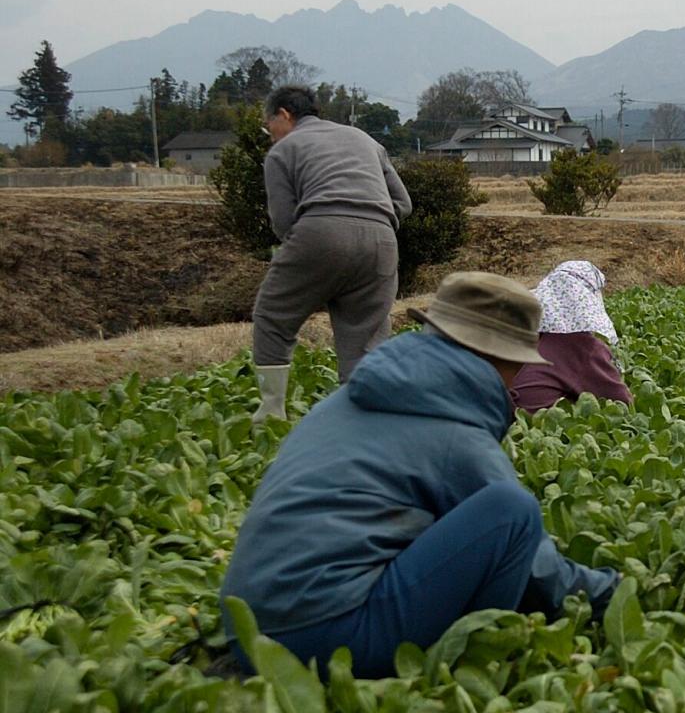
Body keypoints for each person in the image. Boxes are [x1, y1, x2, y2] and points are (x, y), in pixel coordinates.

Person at [221, 272, 619, 678]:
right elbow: (539, 568)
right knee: (511, 511)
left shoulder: (345, 400)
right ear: (499, 358)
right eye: (517, 364)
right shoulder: (456, 436)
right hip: (325, 639)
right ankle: (473, 664)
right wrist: (612, 593)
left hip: (246, 629)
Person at [251, 85, 414, 422]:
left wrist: (320, 236)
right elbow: (403, 204)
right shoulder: (364, 140)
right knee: (366, 334)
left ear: (284, 114)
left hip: (320, 230)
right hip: (382, 240)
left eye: (270, 127)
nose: (271, 136)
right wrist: (372, 224)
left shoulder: (284, 151)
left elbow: (283, 222)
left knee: (272, 315)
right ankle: (365, 418)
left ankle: (271, 412)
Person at [512, 260, 633, 412]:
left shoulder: (539, 335)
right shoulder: (584, 347)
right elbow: (622, 403)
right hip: (535, 429)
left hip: (508, 421)